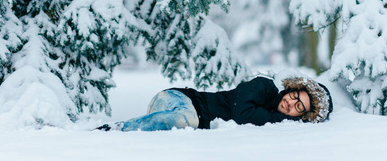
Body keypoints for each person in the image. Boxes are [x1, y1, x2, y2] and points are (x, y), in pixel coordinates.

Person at [96, 76, 333, 131]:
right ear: (291, 90)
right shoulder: (264, 87)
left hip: (171, 117)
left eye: (299, 107)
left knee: (182, 123)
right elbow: (242, 113)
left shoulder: (274, 120)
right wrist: (281, 119)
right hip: (180, 100)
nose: (292, 104)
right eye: (294, 97)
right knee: (185, 119)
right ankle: (115, 130)